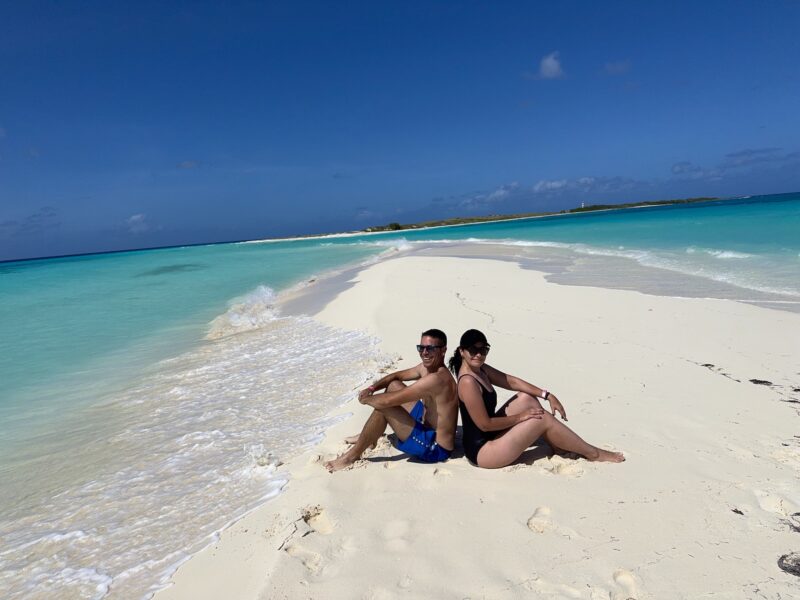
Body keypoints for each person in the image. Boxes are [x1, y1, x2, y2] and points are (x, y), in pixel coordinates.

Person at [449, 329, 624, 469]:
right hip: (483, 452)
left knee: (527, 398)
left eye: (483, 350)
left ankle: (557, 446)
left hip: (490, 436)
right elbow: (484, 424)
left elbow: (512, 381)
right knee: (541, 418)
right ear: (462, 351)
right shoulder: (467, 382)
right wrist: (521, 417)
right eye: (473, 350)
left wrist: (547, 395)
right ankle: (594, 453)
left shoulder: (479, 369)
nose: (478, 355)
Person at [325, 328, 458, 472]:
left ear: (443, 350)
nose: (424, 353)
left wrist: (366, 400)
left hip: (435, 448)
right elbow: (396, 377)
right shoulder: (427, 368)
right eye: (421, 347)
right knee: (393, 386)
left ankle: (351, 456)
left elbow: (388, 402)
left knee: (384, 406)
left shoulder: (437, 379)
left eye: (430, 348)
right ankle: (367, 437)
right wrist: (371, 389)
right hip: (424, 421)